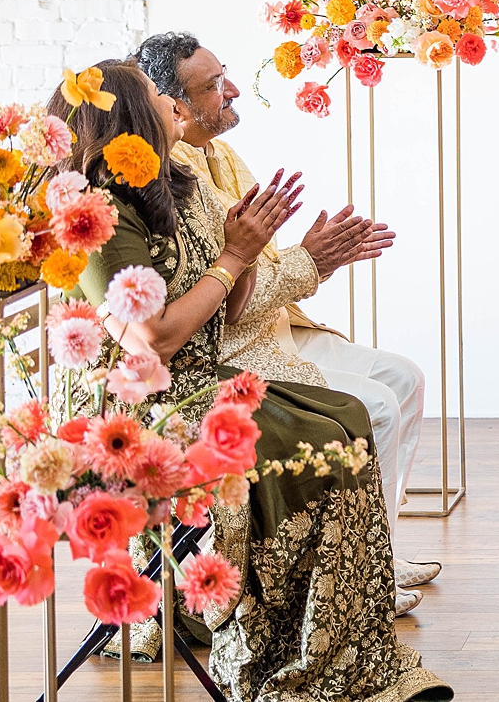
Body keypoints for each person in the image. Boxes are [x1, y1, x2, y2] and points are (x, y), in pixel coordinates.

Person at [58, 62, 450, 701]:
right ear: (131, 115)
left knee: (347, 419)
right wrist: (237, 256)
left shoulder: (169, 182)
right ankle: (284, 647)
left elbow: (229, 307)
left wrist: (245, 244)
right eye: (162, 94)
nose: (174, 104)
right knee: (318, 444)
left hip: (200, 381)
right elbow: (154, 338)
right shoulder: (96, 214)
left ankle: (342, 637)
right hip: (137, 412)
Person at [136, 31, 441, 608]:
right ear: (174, 103)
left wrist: (310, 257)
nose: (232, 92)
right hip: (232, 347)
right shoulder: (169, 173)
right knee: (374, 404)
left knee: (405, 379)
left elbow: (255, 265)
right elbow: (222, 297)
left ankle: (379, 552)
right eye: (212, 86)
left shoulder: (217, 152)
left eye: (224, 73)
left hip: (277, 323)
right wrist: (310, 261)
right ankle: (358, 584)